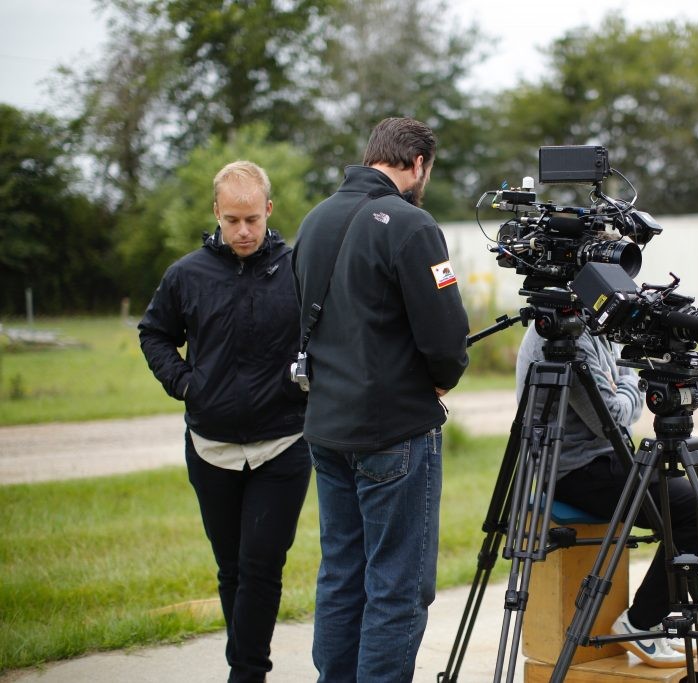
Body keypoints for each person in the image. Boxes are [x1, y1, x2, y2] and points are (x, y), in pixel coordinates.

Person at [291, 117, 470, 682]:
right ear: (417, 164)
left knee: (342, 574)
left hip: (325, 426)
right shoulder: (412, 225)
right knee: (397, 585)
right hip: (394, 431)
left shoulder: (314, 220)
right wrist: (443, 377)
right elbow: (446, 339)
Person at [138, 161, 311, 683]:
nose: (242, 231)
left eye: (252, 220)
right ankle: (247, 666)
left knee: (262, 565)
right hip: (210, 448)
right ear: (216, 212)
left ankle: (247, 672)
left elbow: (330, 330)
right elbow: (154, 334)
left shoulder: (299, 267)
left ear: (269, 212)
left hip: (283, 442)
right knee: (232, 567)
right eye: (232, 219)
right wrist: (187, 384)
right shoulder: (186, 275)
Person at [515, 324, 698, 669]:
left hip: (606, 456)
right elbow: (611, 416)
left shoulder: (593, 325)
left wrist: (622, 385)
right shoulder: (565, 335)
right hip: (576, 469)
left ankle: (648, 620)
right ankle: (641, 623)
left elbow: (622, 377)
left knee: (689, 501)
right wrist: (633, 384)